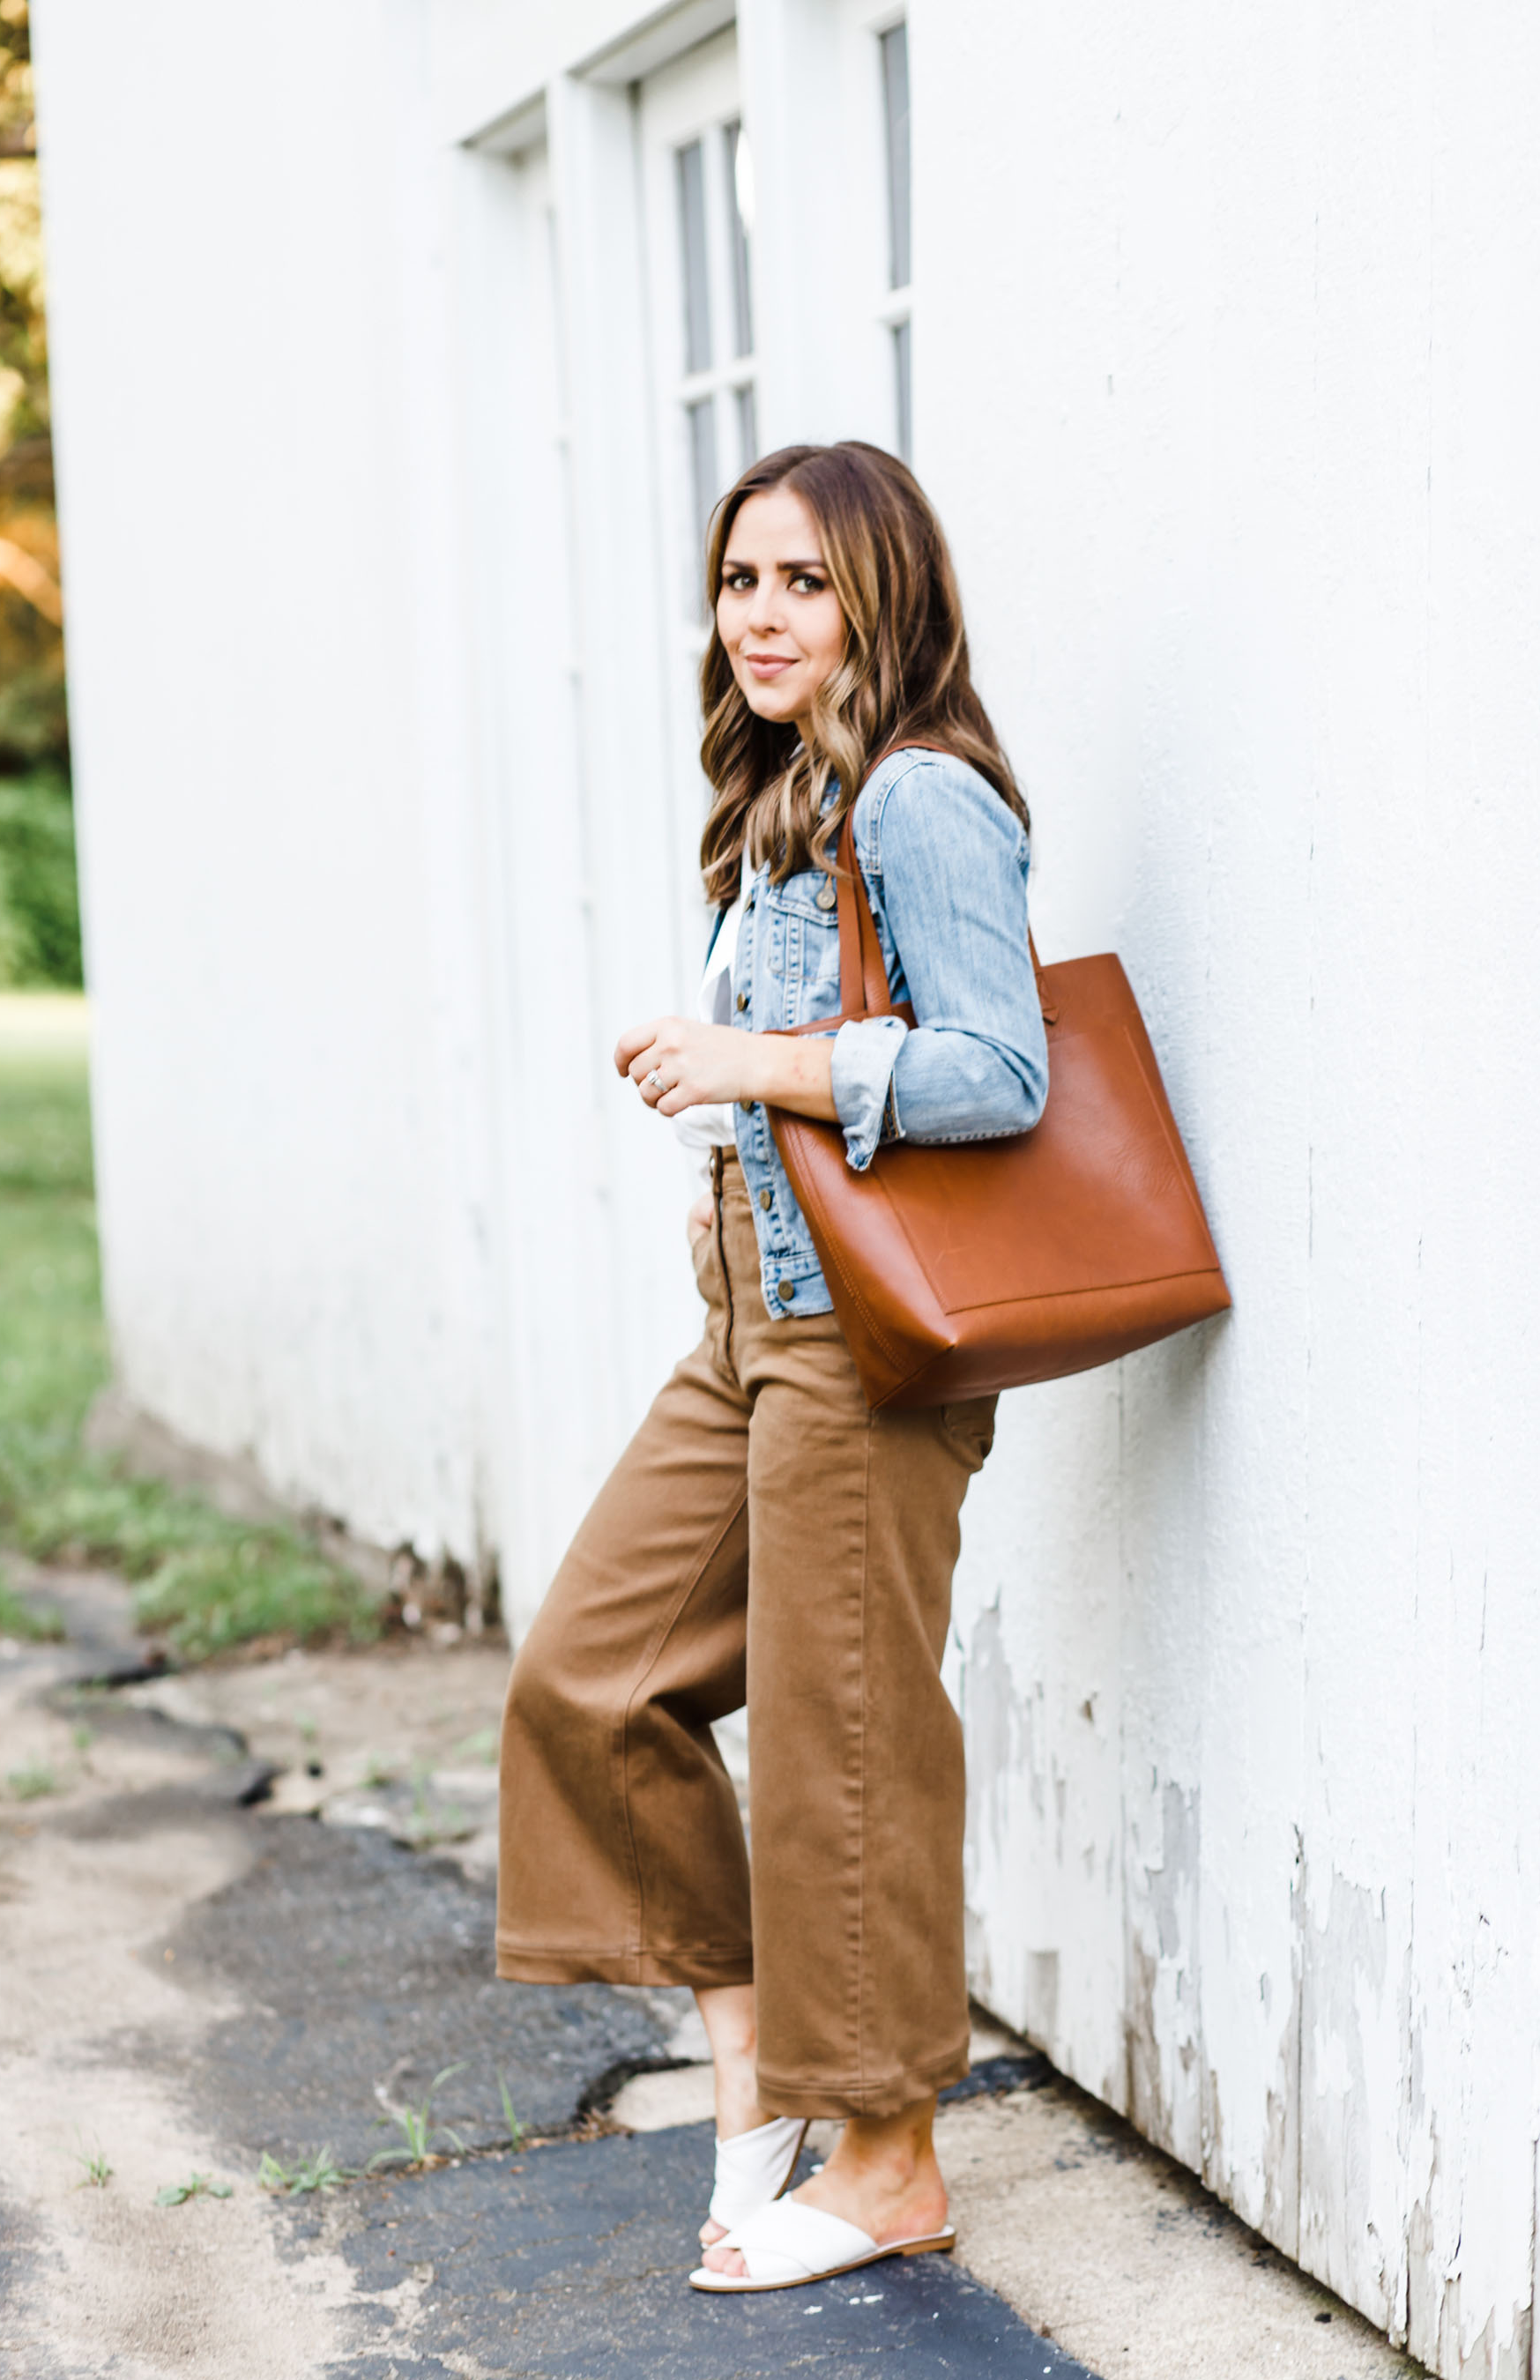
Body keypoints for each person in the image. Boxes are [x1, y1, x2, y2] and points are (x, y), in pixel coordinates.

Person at [496, 440, 1048, 2293]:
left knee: (847, 1737)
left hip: (863, 1343)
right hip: (747, 1321)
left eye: (805, 581)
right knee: (591, 1679)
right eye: (742, 580)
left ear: (881, 597)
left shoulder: (920, 802)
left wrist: (757, 1067)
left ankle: (890, 2156)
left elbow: (1002, 1069)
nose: (761, 614)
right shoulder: (776, 807)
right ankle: (757, 2074)